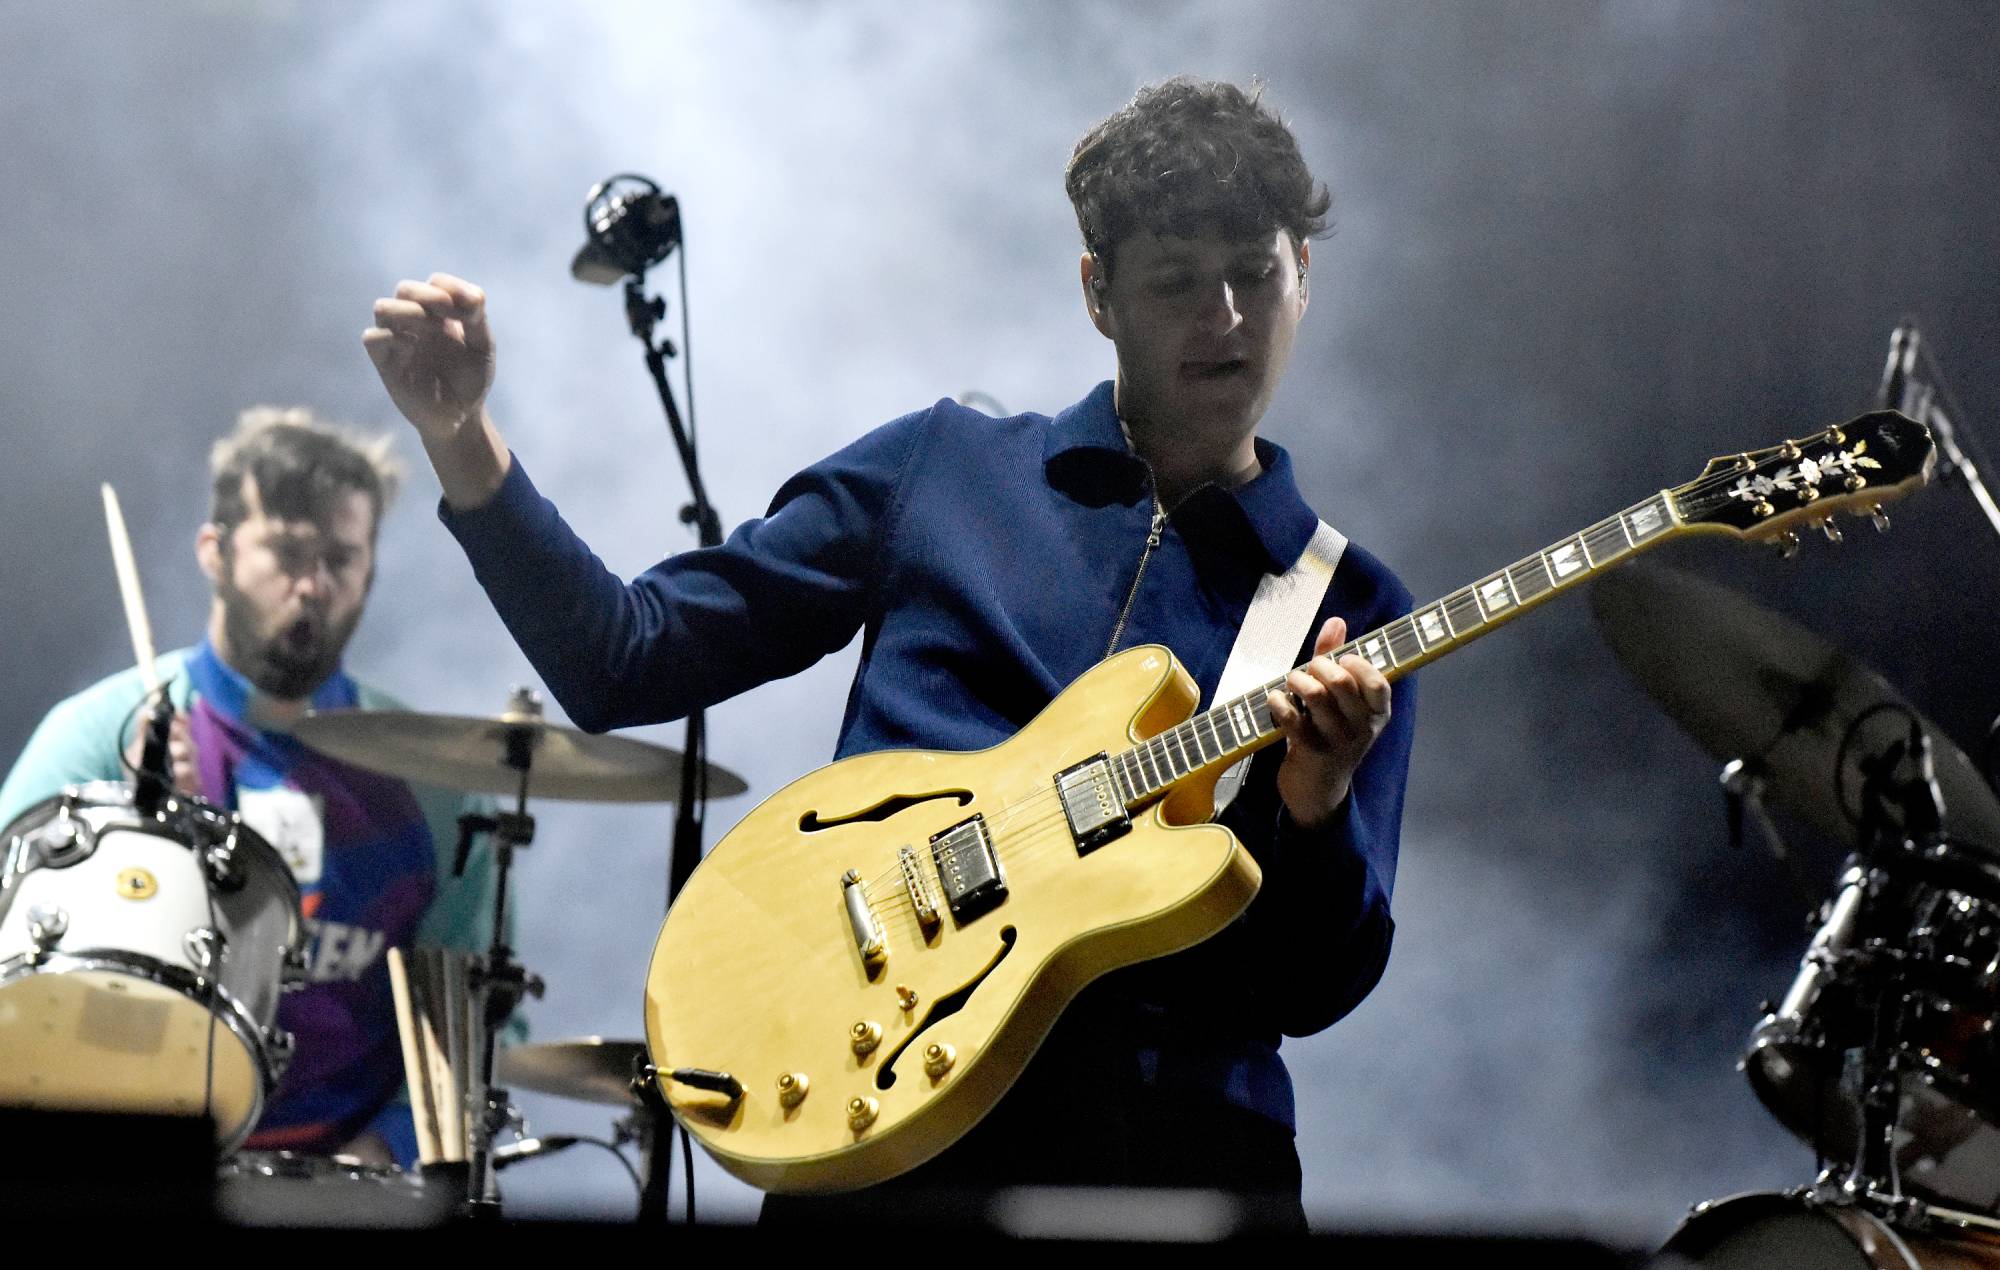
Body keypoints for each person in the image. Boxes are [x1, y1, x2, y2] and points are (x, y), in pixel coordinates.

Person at [364, 77, 1414, 1228]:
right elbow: (628, 656)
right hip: (888, 1135)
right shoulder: (943, 468)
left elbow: (1314, 989)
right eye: (1173, 281)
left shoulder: (1343, 604)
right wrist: (461, 438)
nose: (1222, 317)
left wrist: (1314, 809)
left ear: (1302, 277)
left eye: (1254, 275)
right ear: (1097, 294)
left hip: (1184, 1158)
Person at [0, 408, 507, 1166]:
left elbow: (469, 1026)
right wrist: (142, 827)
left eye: (341, 557)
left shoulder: (437, 786)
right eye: (287, 552)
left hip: (352, 1185)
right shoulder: (100, 736)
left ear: (371, 569)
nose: (312, 585)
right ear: (215, 552)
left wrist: (380, 1157)